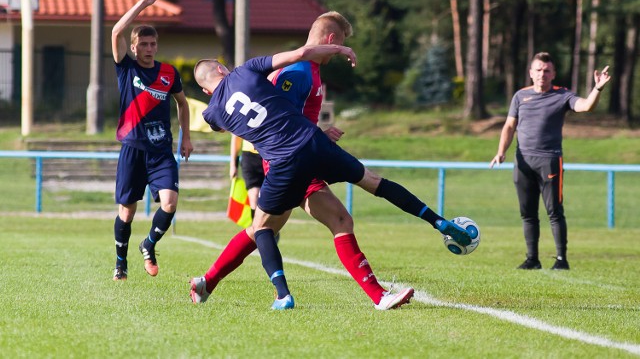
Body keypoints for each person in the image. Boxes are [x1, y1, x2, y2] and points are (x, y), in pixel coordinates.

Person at [189, 43, 472, 310]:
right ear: (223, 69)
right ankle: (437, 223)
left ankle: (282, 294)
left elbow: (222, 124)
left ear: (205, 89)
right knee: (372, 185)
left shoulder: (213, 113)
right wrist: (340, 50)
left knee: (262, 228)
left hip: (283, 162)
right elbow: (302, 52)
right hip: (313, 143)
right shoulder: (248, 69)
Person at [490, 52, 610, 271]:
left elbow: (586, 106)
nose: (542, 74)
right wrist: (501, 151)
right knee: (527, 213)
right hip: (523, 161)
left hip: (550, 161)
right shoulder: (520, 96)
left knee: (554, 211)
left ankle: (561, 260)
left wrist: (598, 88)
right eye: (538, 70)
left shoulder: (562, 95)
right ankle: (532, 259)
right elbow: (509, 126)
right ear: (530, 72)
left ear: (553, 73)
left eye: (546, 71)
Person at [111, 0, 194, 281]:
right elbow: (116, 30)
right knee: (127, 211)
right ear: (133, 48)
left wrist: (186, 136)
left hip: (161, 151)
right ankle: (120, 261)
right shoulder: (126, 68)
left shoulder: (169, 73)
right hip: (133, 148)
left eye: (152, 43)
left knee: (170, 203)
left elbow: (182, 103)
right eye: (143, 44)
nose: (149, 48)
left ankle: (149, 244)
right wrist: (142, 5)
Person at [229, 135, 263, 219]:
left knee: (268, 198)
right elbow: (235, 138)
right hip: (249, 157)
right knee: (254, 196)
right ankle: (257, 229)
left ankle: (272, 230)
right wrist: (233, 165)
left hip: (269, 155)